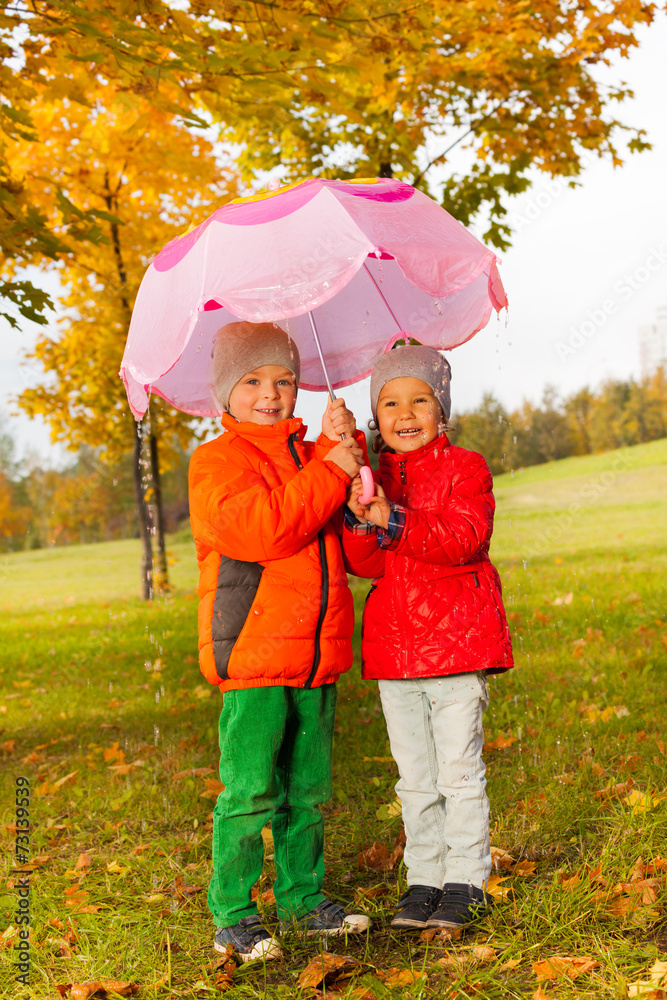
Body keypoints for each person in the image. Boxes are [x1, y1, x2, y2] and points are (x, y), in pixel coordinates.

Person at [189, 320, 370, 962]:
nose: (271, 393)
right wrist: (329, 467)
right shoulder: (216, 462)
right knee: (250, 791)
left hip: (316, 652)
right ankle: (233, 912)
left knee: (309, 789)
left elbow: (349, 541)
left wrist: (345, 453)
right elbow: (267, 530)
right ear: (224, 392)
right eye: (253, 381)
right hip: (258, 655)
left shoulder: (312, 454)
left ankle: (301, 897)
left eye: (285, 380)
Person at [342, 343, 513, 931]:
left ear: (441, 410)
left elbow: (462, 538)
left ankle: (467, 878)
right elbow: (364, 564)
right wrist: (359, 512)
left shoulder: (466, 468)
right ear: (375, 415)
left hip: (456, 646)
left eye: (419, 399)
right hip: (396, 652)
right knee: (413, 778)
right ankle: (426, 879)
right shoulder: (371, 474)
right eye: (390, 401)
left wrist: (391, 517)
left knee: (457, 773)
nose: (405, 412)